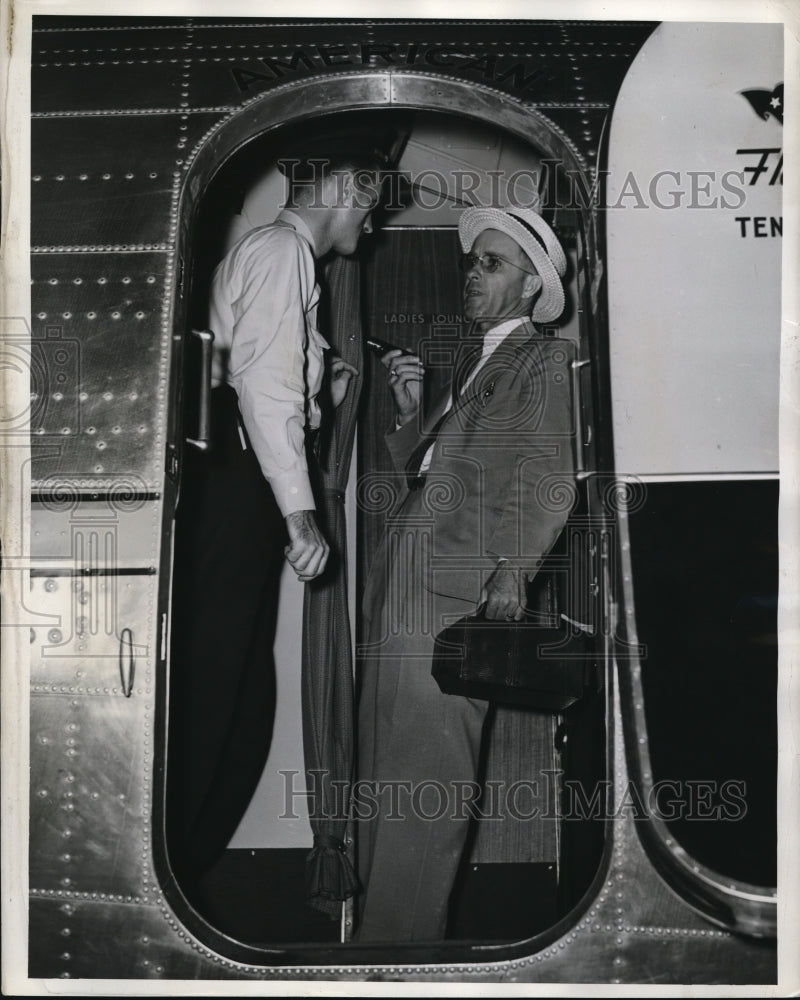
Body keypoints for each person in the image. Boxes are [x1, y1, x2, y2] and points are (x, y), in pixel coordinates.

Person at [167, 144, 384, 896]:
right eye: (374, 198)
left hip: (233, 484)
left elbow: (265, 369)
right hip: (239, 486)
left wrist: (325, 380)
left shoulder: (279, 255)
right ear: (351, 182)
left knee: (238, 694)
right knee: (224, 692)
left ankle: (179, 866)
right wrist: (301, 514)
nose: (375, 218)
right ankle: (174, 870)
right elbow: (263, 389)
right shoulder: (285, 248)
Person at [355, 204, 575, 942]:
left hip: (452, 586)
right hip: (409, 575)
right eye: (471, 261)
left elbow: (548, 473)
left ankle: (401, 952)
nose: (472, 273)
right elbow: (438, 473)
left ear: (531, 285)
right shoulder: (480, 360)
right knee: (392, 762)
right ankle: (377, 937)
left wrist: (513, 570)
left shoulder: (540, 358)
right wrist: (413, 412)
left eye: (493, 263)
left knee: (428, 776)